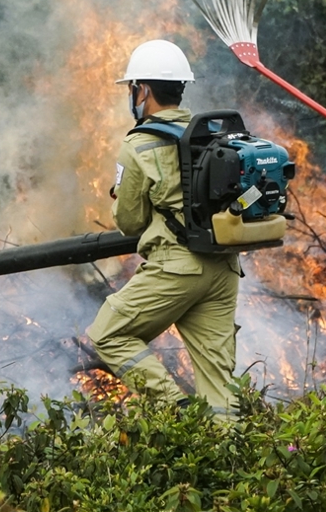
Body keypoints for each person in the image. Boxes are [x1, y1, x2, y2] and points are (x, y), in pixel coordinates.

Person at [85, 39, 242, 418]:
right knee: (218, 381)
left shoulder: (139, 144)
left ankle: (176, 409)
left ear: (144, 90)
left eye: (132, 89)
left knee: (107, 334)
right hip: (223, 266)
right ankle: (232, 461)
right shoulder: (210, 135)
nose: (132, 96)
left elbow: (130, 222)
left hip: (177, 268)